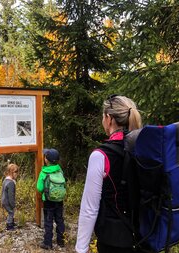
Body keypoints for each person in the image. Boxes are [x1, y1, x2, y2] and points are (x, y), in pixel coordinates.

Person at [75, 95, 143, 253]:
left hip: (113, 239)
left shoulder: (101, 155)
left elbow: (89, 208)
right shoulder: (142, 147)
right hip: (144, 233)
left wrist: (81, 248)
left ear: (109, 118)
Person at [36, 148, 66, 250]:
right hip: (59, 201)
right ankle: (61, 241)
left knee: (48, 222)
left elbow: (39, 188)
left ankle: (48, 243)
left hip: (48, 202)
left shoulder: (43, 172)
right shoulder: (60, 170)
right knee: (60, 220)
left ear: (46, 160)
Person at [1, 163, 19, 231]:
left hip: (4, 200)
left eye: (17, 172)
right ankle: (9, 225)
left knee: (10, 212)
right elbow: (10, 195)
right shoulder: (11, 183)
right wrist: (13, 204)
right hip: (7, 201)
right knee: (11, 212)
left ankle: (11, 222)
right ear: (11, 172)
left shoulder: (5, 180)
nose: (17, 174)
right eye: (15, 172)